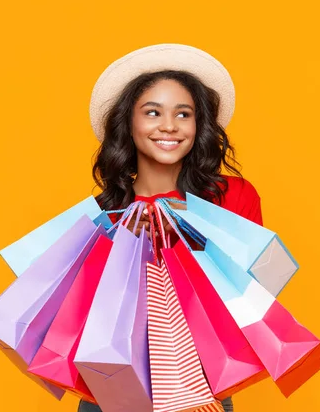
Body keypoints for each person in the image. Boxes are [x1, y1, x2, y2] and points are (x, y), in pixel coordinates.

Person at [79, 43, 263, 412]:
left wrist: (191, 230)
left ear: (199, 125)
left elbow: (254, 295)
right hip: (110, 393)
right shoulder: (101, 215)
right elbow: (78, 317)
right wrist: (127, 240)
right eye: (152, 112)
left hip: (201, 386)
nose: (169, 126)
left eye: (183, 114)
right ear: (128, 123)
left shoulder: (230, 197)